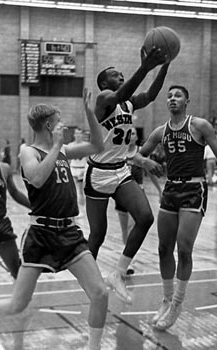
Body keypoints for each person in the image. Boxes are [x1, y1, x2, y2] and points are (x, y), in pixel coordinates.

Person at [0, 89, 108, 350]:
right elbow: (36, 178)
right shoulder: (29, 151)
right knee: (18, 304)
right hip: (41, 235)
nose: (63, 127)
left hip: (70, 234)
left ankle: (93, 348)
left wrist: (89, 113)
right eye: (59, 121)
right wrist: (58, 146)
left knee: (100, 293)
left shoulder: (61, 151)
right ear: (49, 125)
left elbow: (98, 145)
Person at [84, 46, 168, 304]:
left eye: (121, 73)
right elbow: (123, 91)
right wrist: (145, 66)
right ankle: (87, 280)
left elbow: (151, 95)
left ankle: (118, 272)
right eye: (114, 74)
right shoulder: (103, 101)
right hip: (98, 174)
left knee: (145, 217)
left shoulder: (128, 104)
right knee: (97, 234)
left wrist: (164, 65)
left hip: (120, 170)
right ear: (103, 83)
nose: (120, 75)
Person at [135, 85, 217, 331]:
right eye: (169, 96)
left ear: (187, 101)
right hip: (171, 190)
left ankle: (176, 305)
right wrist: (147, 161)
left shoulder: (200, 125)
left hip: (194, 190)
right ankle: (165, 298)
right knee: (163, 248)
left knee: (184, 250)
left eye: (178, 95)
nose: (172, 99)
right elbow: (137, 156)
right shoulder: (161, 131)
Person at [0, 129, 30, 305]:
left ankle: (20, 303)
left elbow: (15, 192)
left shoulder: (5, 168)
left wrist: (35, 207)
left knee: (17, 268)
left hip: (1, 223)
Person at [115, 127, 162, 275]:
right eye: (128, 133)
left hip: (137, 194)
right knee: (124, 230)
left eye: (133, 133)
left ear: (136, 136)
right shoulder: (118, 152)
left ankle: (130, 262)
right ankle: (126, 255)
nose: (130, 135)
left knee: (131, 227)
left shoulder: (141, 152)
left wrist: (160, 191)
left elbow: (151, 173)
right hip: (120, 194)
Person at [69, 128, 87, 207]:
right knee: (72, 190)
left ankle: (83, 209)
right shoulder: (70, 145)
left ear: (82, 135)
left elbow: (88, 159)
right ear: (74, 135)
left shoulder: (86, 145)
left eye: (80, 133)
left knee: (81, 191)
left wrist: (86, 170)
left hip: (82, 169)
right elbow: (68, 159)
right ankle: (74, 207)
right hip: (73, 168)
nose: (78, 135)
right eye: (77, 133)